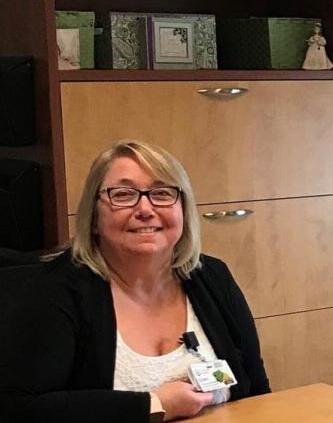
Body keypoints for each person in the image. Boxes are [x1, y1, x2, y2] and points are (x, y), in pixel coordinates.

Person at [0, 139, 270, 422]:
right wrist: (152, 405)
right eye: (124, 194)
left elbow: (257, 387)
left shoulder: (212, 277)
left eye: (162, 193)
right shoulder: (53, 291)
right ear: (93, 216)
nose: (145, 208)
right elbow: (20, 408)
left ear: (184, 209)